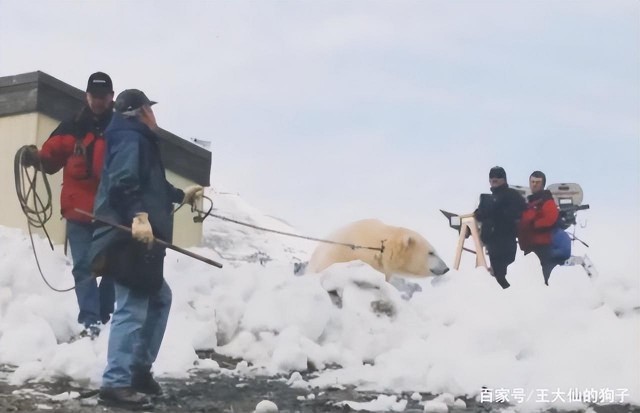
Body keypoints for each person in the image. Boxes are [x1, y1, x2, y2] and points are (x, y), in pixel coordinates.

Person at [88, 89, 203, 408]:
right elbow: (125, 183)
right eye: (150, 110)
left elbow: (151, 186)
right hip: (128, 235)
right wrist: (138, 217)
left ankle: (137, 371)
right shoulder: (130, 137)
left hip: (141, 236)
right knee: (133, 304)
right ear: (140, 112)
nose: (154, 115)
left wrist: (182, 196)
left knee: (158, 297)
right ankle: (116, 381)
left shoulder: (138, 139)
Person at [22, 72, 116, 338]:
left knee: (113, 267)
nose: (98, 101)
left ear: (111, 97)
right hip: (79, 213)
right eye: (94, 96)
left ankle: (105, 316)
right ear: (87, 96)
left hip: (110, 213)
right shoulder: (71, 126)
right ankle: (91, 322)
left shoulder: (120, 130)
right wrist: (35, 157)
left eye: (103, 97)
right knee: (83, 267)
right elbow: (50, 158)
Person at [474, 166, 526, 289]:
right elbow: (481, 214)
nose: (494, 179)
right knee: (497, 275)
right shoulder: (491, 198)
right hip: (493, 243)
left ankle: (510, 295)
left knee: (500, 277)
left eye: (498, 177)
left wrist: (492, 212)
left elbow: (515, 213)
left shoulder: (511, 195)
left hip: (504, 241)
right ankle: (506, 295)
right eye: (491, 177)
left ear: (504, 179)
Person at [518, 170, 560, 286]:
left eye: (537, 182)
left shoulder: (546, 200)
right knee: (531, 279)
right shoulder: (531, 201)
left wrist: (534, 225)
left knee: (543, 278)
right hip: (529, 246)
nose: (534, 184)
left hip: (542, 246)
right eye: (532, 182)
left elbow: (551, 218)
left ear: (543, 184)